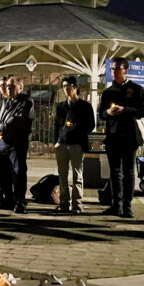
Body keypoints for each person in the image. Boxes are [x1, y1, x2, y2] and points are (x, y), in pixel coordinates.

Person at [98, 57, 144, 218]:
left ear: (126, 70)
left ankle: (127, 207)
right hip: (113, 136)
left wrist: (125, 110)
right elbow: (101, 114)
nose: (114, 72)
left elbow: (143, 111)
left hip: (130, 136)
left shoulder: (137, 89)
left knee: (129, 172)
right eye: (112, 69)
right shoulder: (108, 92)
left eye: (117, 69)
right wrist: (108, 113)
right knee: (115, 173)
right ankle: (116, 205)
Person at [53, 76, 95, 214]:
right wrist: (56, 142)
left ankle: (77, 203)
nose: (66, 89)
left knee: (77, 174)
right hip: (62, 144)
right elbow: (56, 126)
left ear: (76, 87)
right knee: (62, 175)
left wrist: (76, 128)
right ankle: (64, 203)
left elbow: (90, 125)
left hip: (77, 144)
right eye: (64, 86)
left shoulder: (85, 106)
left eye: (68, 86)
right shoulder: (61, 106)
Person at [0, 75, 34, 214]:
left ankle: (20, 201)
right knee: (2, 173)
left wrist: (0, 128)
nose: (8, 89)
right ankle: (7, 198)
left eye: (12, 86)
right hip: (3, 142)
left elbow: (17, 120)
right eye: (7, 86)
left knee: (18, 172)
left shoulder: (26, 102)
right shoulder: (4, 102)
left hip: (17, 142)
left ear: (20, 87)